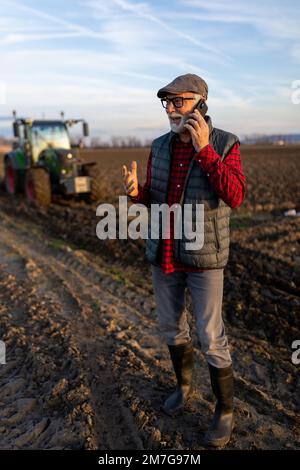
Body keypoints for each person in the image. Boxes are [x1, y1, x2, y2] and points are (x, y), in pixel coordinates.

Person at [122, 73, 246, 448]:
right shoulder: (159, 146)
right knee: (171, 327)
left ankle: (224, 412)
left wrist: (205, 149)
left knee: (211, 337)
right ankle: (184, 386)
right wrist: (135, 193)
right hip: (165, 253)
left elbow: (236, 195)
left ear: (201, 104)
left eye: (180, 101)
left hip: (205, 257)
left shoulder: (225, 143)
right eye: (168, 102)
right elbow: (154, 196)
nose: (172, 109)